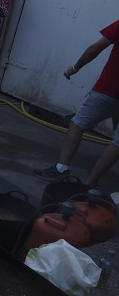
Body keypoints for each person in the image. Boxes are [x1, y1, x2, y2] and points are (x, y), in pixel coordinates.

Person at [34, 19, 119, 187]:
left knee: (77, 124)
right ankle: (89, 185)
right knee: (117, 144)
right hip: (107, 91)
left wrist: (75, 67)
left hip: (108, 90)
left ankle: (61, 168)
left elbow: (94, 49)